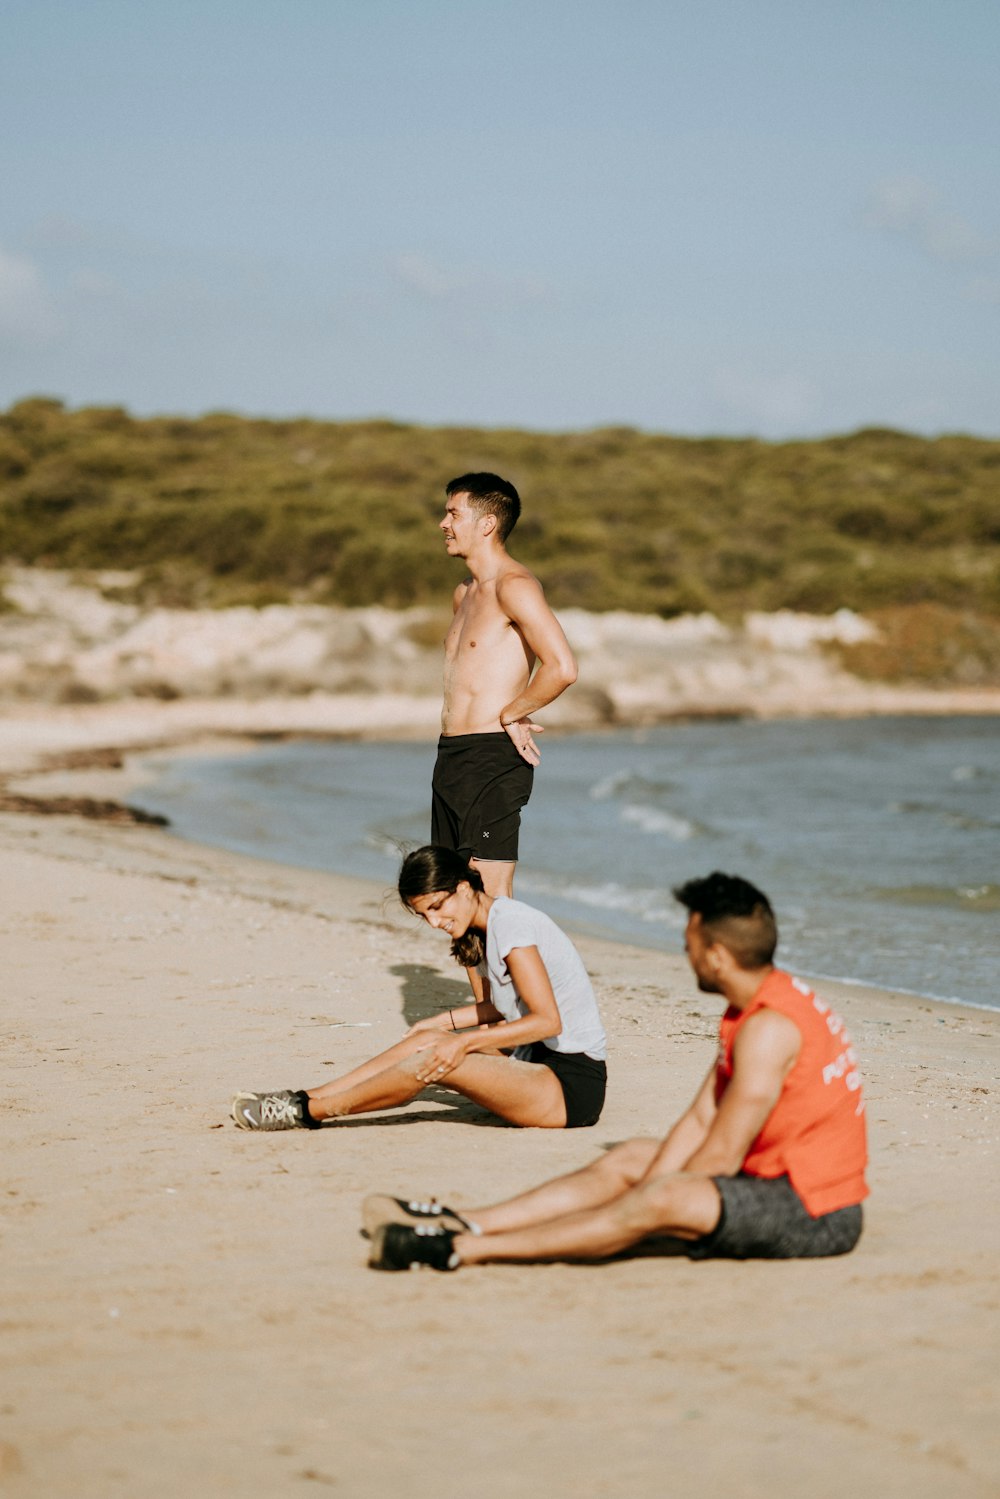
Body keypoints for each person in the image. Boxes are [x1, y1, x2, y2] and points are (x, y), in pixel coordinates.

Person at [364, 871, 868, 1271]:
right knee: (634, 1158)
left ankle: (462, 1250)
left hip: (812, 1210)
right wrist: (645, 1174)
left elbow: (721, 1153)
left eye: (690, 941)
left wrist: (646, 1196)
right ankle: (468, 1222)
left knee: (661, 1194)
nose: (684, 950)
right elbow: (699, 1120)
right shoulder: (752, 1008)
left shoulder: (769, 1028)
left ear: (717, 955)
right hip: (771, 1179)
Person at [230, 845, 607, 1133]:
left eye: (438, 907)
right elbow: (505, 1007)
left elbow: (547, 1021)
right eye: (424, 914)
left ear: (463, 887)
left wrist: (461, 1041)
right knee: (426, 1040)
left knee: (438, 1058)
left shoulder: (513, 926)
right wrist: (441, 1023)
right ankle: (309, 1094)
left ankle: (307, 1113)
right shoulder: (487, 925)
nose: (434, 922)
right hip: (533, 1062)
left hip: (568, 1087)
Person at [432, 472, 577, 903]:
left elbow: (562, 667)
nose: (443, 523)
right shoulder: (464, 594)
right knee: (453, 893)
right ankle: (479, 976)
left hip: (493, 755)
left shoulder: (515, 586)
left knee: (491, 894)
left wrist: (513, 712)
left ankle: (518, 973)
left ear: (487, 524)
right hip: (451, 753)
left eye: (454, 513)